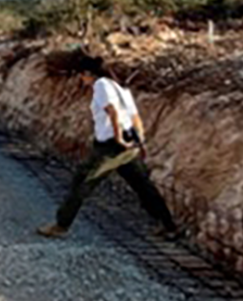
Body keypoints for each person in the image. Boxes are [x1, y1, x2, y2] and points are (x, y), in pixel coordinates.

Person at [36, 51, 180, 238]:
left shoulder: (101, 85)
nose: (81, 80)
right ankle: (169, 226)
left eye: (81, 76)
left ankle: (61, 225)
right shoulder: (119, 87)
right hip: (129, 145)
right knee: (143, 186)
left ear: (87, 73)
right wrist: (140, 142)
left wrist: (119, 138)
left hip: (111, 147)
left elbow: (113, 112)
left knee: (82, 182)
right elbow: (134, 117)